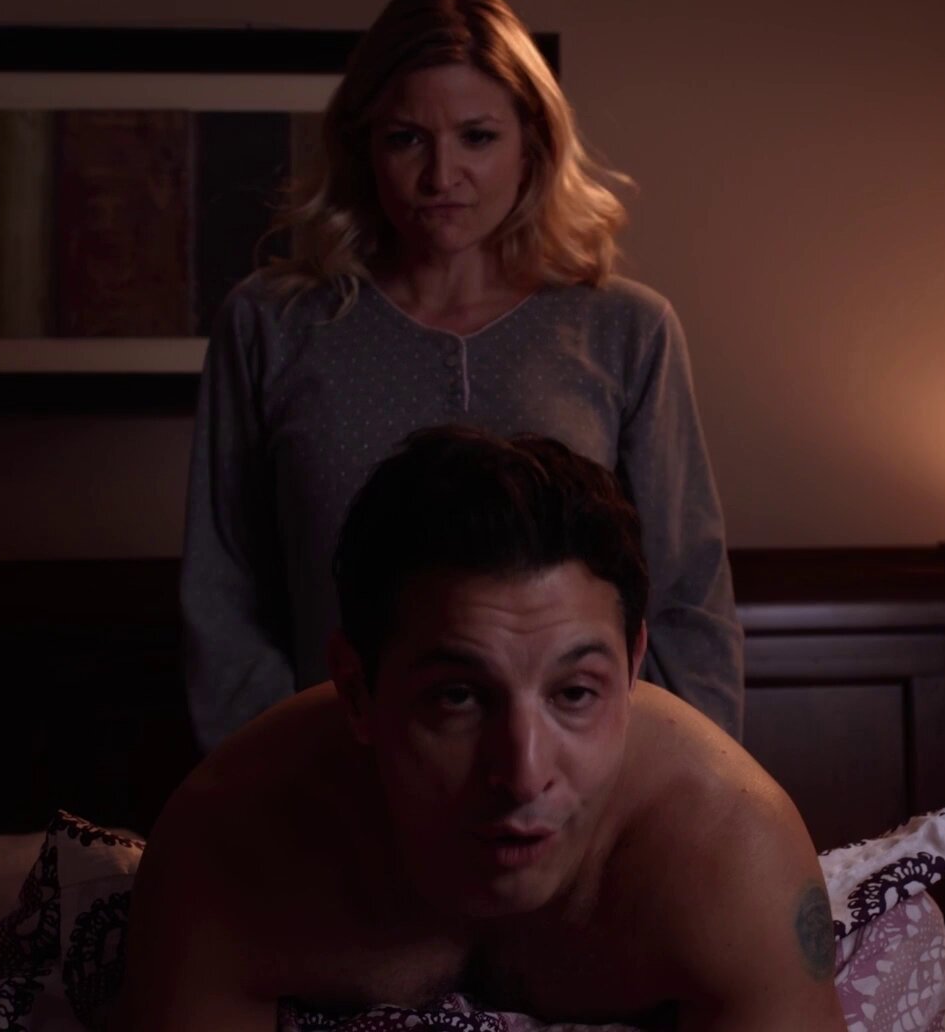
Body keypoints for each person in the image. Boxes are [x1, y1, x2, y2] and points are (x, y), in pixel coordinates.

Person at [123, 427, 844, 1031]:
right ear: (358, 691)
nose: (523, 774)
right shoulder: (228, 848)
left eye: (575, 693)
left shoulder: (731, 858)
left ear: (631, 671)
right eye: (459, 697)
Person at [180, 0, 742, 752]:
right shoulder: (271, 324)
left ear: (531, 143)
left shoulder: (624, 329)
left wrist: (672, 790)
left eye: (477, 137)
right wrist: (284, 774)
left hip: (572, 776)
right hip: (332, 770)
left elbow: (686, 603)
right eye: (407, 138)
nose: (442, 176)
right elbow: (224, 595)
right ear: (362, 145)